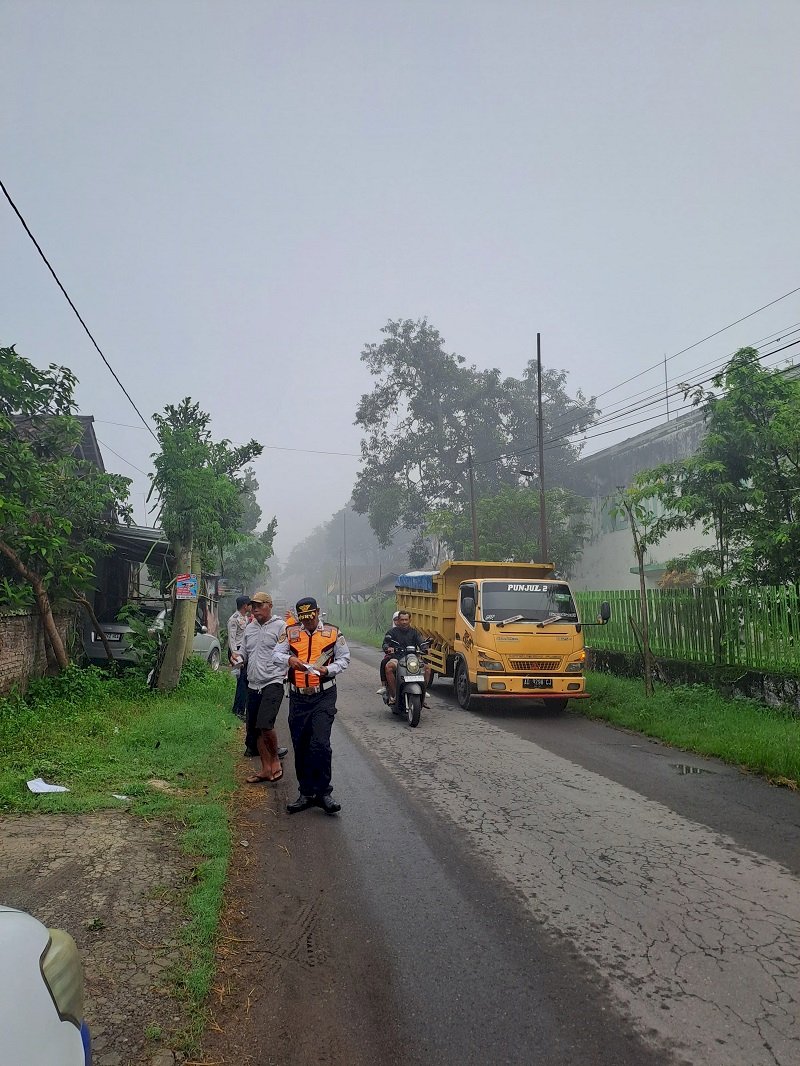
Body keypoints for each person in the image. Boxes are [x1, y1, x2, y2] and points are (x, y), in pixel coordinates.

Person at [273, 596, 350, 816]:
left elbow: (344, 659)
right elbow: (276, 654)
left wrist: (329, 669)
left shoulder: (333, 633)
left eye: (311, 617)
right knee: (301, 744)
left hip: (323, 695)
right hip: (298, 697)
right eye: (303, 618)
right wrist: (289, 661)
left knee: (321, 744)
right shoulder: (290, 633)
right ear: (299, 617)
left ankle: (324, 793)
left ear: (318, 612)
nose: (308, 622)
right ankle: (305, 793)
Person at [238, 591, 288, 784]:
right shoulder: (249, 628)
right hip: (253, 683)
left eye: (259, 605)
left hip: (273, 681)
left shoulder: (281, 627)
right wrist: (238, 658)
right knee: (255, 729)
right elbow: (244, 652)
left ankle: (275, 759)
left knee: (266, 724)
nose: (255, 609)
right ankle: (266, 769)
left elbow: (287, 652)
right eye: (253, 606)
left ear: (270, 605)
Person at [383, 610, 432, 707]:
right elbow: (385, 643)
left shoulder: (414, 632)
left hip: (412, 659)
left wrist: (425, 649)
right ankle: (394, 695)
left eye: (406, 619)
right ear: (398, 620)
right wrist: (388, 648)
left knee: (427, 668)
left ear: (410, 620)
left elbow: (421, 643)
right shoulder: (392, 632)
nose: (404, 622)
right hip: (397, 658)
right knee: (388, 667)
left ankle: (422, 694)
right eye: (402, 620)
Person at [227, 595, 251, 718]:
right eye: (249, 604)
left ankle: (241, 708)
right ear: (245, 606)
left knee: (244, 680)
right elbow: (231, 638)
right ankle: (238, 710)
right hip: (236, 652)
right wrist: (235, 654)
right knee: (242, 681)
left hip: (243, 651)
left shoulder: (245, 618)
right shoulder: (234, 619)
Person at [377, 611, 400, 693]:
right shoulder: (390, 632)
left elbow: (419, 641)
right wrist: (388, 648)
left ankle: (422, 687)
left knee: (424, 665)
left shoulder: (411, 631)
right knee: (384, 662)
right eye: (396, 619)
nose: (398, 621)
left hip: (408, 657)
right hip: (394, 656)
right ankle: (384, 686)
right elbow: (385, 643)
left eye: (400, 619)